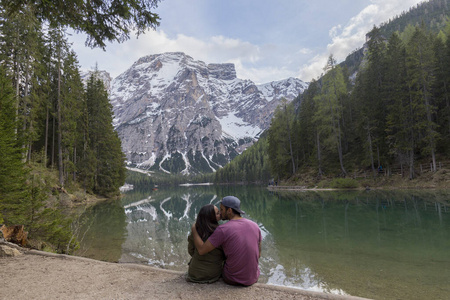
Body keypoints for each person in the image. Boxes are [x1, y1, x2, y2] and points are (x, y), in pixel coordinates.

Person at [191, 196, 262, 286]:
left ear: (229, 211)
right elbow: (258, 254)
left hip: (232, 279)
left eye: (221, 209)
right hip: (253, 278)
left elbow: (201, 250)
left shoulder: (223, 229)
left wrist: (194, 229)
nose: (220, 213)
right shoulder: (255, 225)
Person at [186, 204, 225, 283]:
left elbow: (191, 250)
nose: (220, 214)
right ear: (211, 218)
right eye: (217, 213)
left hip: (194, 273)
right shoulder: (220, 232)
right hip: (211, 274)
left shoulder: (196, 231)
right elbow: (225, 254)